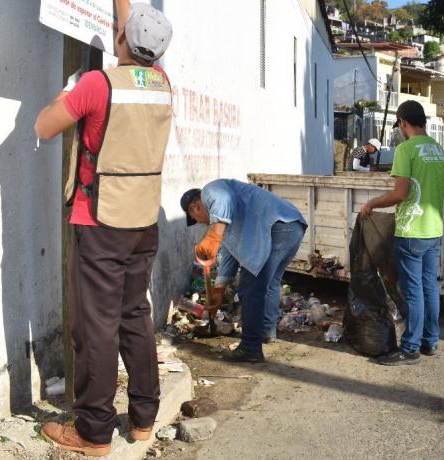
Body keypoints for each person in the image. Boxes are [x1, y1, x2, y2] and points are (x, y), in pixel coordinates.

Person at [33, 2, 173, 456]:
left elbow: (44, 126)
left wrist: (65, 93)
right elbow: (133, 33)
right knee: (135, 317)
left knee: (96, 326)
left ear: (120, 41)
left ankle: (93, 433)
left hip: (99, 221)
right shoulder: (163, 84)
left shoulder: (97, 85)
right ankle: (144, 420)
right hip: (142, 222)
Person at [359, 101, 444, 366]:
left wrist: (372, 203)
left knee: (414, 291)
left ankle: (410, 348)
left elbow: (400, 194)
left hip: (411, 231)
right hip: (433, 229)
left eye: (399, 125)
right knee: (430, 286)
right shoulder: (437, 149)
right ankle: (430, 342)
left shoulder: (405, 150)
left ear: (402, 123)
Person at [181, 179, 306, 363]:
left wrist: (212, 237)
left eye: (197, 220)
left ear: (195, 207)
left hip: (277, 227)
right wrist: (217, 294)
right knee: (269, 284)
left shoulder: (211, 190)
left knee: (249, 289)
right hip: (292, 226)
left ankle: (250, 348)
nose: (201, 223)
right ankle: (265, 332)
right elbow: (229, 261)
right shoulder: (226, 225)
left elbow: (223, 198)